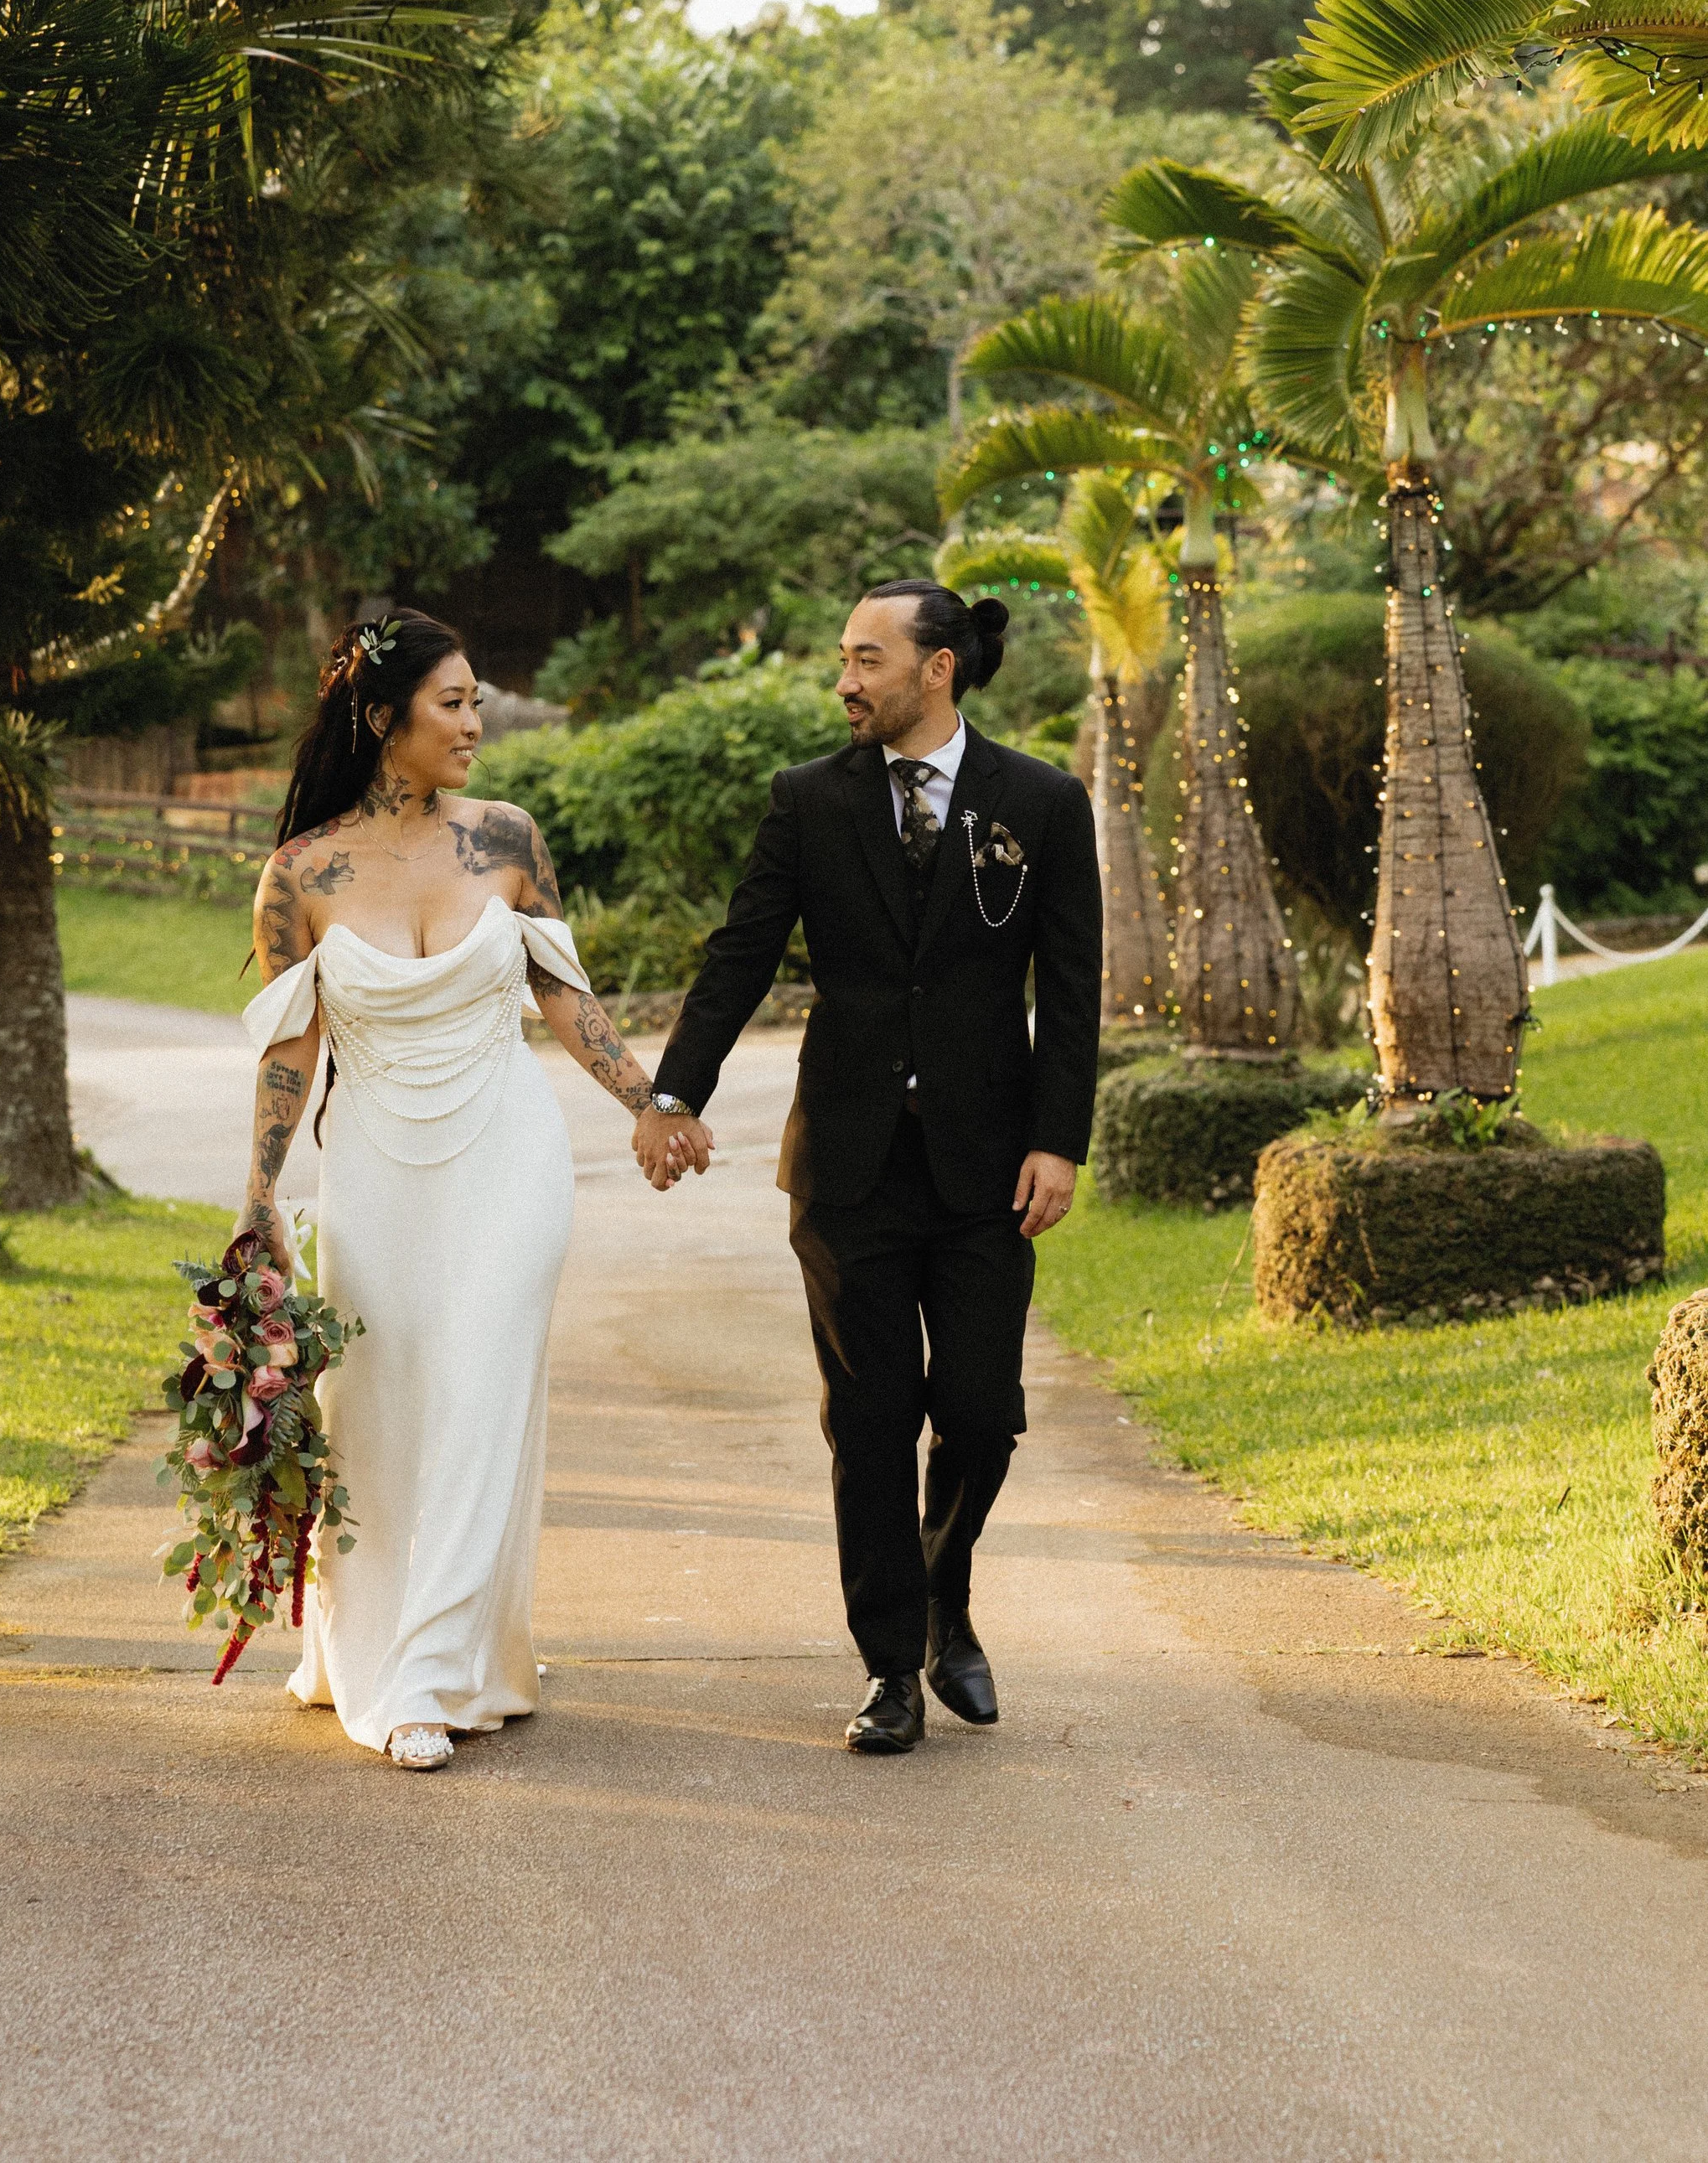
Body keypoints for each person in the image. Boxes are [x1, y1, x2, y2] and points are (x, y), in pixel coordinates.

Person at [235, 608, 711, 1772]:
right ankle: (379, 1645)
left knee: (486, 1381)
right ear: (383, 717)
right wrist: (258, 1195)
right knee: (387, 1408)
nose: (475, 722)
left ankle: (432, 1679)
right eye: (452, 702)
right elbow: (290, 1046)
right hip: (379, 1164)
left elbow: (565, 996)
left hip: (509, 1147)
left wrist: (648, 1100)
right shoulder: (301, 874)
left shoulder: (508, 838)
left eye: (477, 700)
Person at [650, 579, 1102, 1754]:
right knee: (871, 1416)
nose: (845, 680)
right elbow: (741, 951)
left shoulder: (1042, 802)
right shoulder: (807, 801)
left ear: (936, 666)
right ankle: (893, 1665)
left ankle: (947, 1594)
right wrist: (672, 1091)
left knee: (983, 1412)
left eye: (867, 657)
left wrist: (1059, 1137)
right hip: (846, 1164)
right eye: (843, 659)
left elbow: (1074, 981)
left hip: (988, 1164)